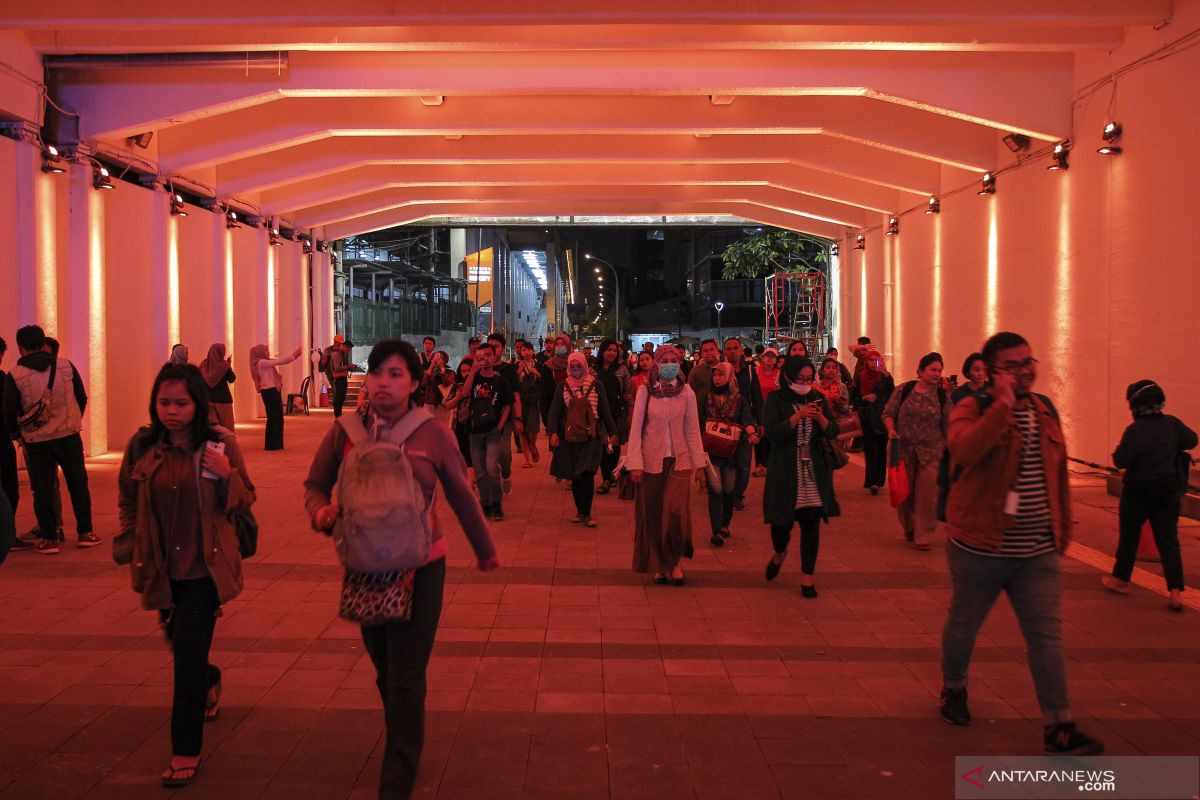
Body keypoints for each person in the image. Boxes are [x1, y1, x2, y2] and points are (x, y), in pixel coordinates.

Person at [303, 339, 499, 800]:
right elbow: (315, 483)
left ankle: (397, 780)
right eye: (377, 373)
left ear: (414, 383)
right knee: (385, 668)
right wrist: (320, 512)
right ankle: (403, 733)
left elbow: (459, 494)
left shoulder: (432, 433)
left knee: (406, 676)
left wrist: (485, 550)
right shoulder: (346, 431)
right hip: (365, 568)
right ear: (366, 381)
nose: (384, 382)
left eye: (396, 374)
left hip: (422, 566)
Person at [939, 331, 1103, 756]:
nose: (1025, 370)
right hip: (979, 547)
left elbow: (1056, 470)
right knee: (964, 626)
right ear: (992, 374)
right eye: (1013, 366)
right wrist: (1002, 407)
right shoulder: (970, 407)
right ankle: (954, 688)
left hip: (1036, 551)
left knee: (1046, 636)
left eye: (1028, 362)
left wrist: (1061, 529)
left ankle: (1059, 726)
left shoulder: (1045, 409)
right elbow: (965, 452)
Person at [114, 363, 255, 788]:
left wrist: (226, 473)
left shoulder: (220, 445)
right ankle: (209, 680)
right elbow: (126, 496)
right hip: (161, 568)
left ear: (198, 403)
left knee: (186, 660)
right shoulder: (142, 446)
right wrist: (130, 537)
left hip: (204, 571)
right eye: (164, 403)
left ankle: (185, 750)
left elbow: (246, 498)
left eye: (181, 403)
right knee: (181, 646)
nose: (172, 411)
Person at [1, 325, 98, 554]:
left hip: (37, 440)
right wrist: (73, 420)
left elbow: (8, 410)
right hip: (69, 436)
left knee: (43, 488)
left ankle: (49, 538)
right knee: (78, 485)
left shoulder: (15, 375)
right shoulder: (65, 365)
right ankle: (86, 533)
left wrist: (17, 435)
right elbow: (81, 396)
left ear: (21, 348)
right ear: (42, 342)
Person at [1104, 380, 1197, 611]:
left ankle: (1121, 580)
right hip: (1167, 490)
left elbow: (1120, 460)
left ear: (1134, 406)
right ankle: (1175, 593)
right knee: (1168, 541)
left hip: (1137, 491)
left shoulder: (1134, 431)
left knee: (1129, 537)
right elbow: (1192, 440)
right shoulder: (1172, 424)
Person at [627, 345, 706, 586]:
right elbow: (636, 430)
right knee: (655, 514)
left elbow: (692, 430)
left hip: (680, 461)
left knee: (676, 514)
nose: (670, 364)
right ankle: (660, 563)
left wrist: (699, 464)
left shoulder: (687, 393)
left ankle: (674, 562)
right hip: (652, 461)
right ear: (657, 364)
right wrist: (635, 464)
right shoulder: (645, 392)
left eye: (674, 360)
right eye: (665, 360)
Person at [762, 356, 840, 597]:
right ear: (787, 377)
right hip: (785, 470)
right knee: (781, 525)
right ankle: (779, 553)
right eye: (800, 379)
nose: (805, 383)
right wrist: (797, 416)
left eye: (809, 378)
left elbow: (833, 431)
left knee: (811, 524)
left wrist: (820, 418)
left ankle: (808, 578)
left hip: (812, 473)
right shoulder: (776, 399)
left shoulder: (817, 399)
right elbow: (773, 433)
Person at [883, 353, 951, 550]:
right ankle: (910, 526)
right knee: (905, 494)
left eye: (939, 370)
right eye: (932, 370)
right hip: (903, 451)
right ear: (920, 371)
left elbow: (950, 423)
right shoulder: (904, 390)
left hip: (931, 453)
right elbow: (888, 413)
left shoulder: (941, 396)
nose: (937, 374)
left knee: (927, 495)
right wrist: (891, 429)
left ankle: (924, 535)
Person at [548, 352, 617, 527]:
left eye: (580, 366)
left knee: (587, 473)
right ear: (568, 368)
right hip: (570, 438)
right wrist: (554, 433)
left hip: (592, 437)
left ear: (585, 365)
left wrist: (612, 432)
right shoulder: (563, 387)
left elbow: (604, 410)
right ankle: (580, 511)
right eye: (573, 367)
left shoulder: (595, 384)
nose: (577, 370)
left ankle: (586, 513)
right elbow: (555, 412)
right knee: (576, 475)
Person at [700, 363, 756, 547]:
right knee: (715, 491)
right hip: (711, 451)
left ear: (730, 376)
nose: (716, 378)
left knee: (728, 491)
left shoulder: (739, 400)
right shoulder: (706, 398)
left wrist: (752, 433)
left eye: (720, 374)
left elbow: (747, 419)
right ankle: (716, 531)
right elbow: (699, 423)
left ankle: (725, 524)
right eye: (714, 375)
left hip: (732, 452)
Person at [461, 344, 514, 520]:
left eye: (488, 355)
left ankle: (496, 504)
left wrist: (500, 426)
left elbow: (507, 404)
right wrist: (473, 371)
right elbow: (465, 393)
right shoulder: (474, 377)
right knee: (480, 470)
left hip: (492, 430)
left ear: (494, 357)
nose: (485, 359)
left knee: (492, 468)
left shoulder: (501, 381)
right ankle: (485, 503)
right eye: (480, 357)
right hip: (475, 430)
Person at [851, 349, 894, 494]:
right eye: (870, 360)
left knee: (881, 450)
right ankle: (871, 482)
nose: (873, 363)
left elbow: (892, 393)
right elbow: (854, 399)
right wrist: (865, 398)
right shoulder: (859, 377)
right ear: (865, 361)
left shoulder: (884, 377)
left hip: (881, 417)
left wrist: (886, 373)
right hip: (867, 418)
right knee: (870, 450)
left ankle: (879, 481)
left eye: (876, 359)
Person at [594, 339, 633, 494]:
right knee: (603, 446)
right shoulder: (593, 370)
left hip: (618, 413)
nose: (612, 353)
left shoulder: (622, 370)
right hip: (599, 415)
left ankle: (610, 475)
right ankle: (606, 478)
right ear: (602, 351)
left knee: (614, 445)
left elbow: (628, 392)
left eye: (614, 350)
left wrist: (630, 411)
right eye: (609, 350)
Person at [486, 334, 522, 496]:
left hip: (504, 419)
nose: (493, 350)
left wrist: (519, 418)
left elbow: (516, 395)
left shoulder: (509, 370)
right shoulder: (479, 368)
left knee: (504, 453)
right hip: (482, 419)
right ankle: (492, 490)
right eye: (490, 346)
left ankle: (506, 474)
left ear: (502, 349)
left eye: (496, 346)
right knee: (486, 456)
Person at [248, 344, 302, 451]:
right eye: (266, 350)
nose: (268, 352)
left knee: (277, 417)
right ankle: (272, 445)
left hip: (272, 391)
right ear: (259, 352)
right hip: (269, 391)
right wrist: (294, 355)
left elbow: (278, 360)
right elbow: (280, 361)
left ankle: (276, 444)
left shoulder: (264, 362)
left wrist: (292, 357)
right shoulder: (261, 362)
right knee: (273, 417)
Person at [443, 358, 476, 485]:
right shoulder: (457, 386)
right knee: (464, 453)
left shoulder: (478, 383)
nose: (466, 373)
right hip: (460, 425)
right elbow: (448, 404)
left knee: (472, 453)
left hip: (476, 424)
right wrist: (459, 396)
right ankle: (470, 481)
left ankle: (472, 480)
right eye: (463, 371)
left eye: (468, 370)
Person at [515, 343, 543, 467]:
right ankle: (527, 459)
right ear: (520, 352)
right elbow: (513, 383)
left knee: (532, 430)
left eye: (528, 350)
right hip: (520, 401)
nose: (526, 352)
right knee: (522, 431)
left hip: (533, 401)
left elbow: (545, 383)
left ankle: (532, 445)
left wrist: (536, 373)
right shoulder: (516, 365)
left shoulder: (539, 365)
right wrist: (519, 371)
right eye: (523, 350)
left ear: (533, 351)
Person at [199, 344, 236, 431]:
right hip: (223, 400)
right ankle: (228, 444)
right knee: (227, 427)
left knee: (212, 428)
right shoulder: (224, 366)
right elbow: (232, 379)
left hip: (208, 399)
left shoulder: (204, 364)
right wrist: (228, 365)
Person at [538, 334, 572, 425]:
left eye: (563, 344)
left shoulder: (574, 363)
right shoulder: (548, 365)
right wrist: (545, 417)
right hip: (554, 409)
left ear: (568, 345)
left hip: (573, 409)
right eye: (557, 344)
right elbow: (544, 393)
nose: (560, 346)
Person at [687, 339, 722, 412]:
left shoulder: (725, 369)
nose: (709, 353)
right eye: (705, 351)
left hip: (723, 413)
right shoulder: (695, 371)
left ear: (717, 351)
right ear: (702, 354)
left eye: (711, 350)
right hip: (701, 413)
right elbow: (689, 394)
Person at [327, 335, 352, 417]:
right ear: (344, 346)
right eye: (348, 349)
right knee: (338, 398)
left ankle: (339, 414)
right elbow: (337, 368)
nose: (348, 351)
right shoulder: (336, 354)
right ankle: (337, 415)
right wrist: (348, 367)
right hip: (338, 379)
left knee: (342, 397)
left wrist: (349, 367)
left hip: (343, 378)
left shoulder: (343, 354)